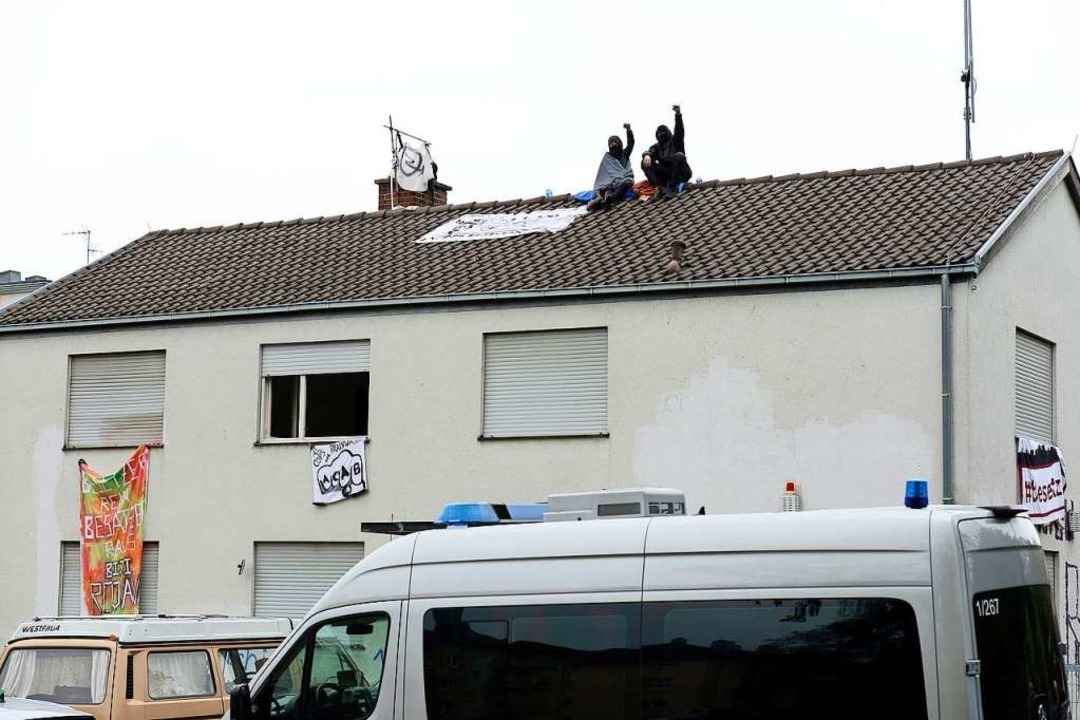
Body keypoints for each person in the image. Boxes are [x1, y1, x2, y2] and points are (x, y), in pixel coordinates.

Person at [642, 105, 692, 199]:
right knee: (645, 163)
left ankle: (672, 187)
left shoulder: (675, 141)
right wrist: (647, 155)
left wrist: (678, 115)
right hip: (666, 174)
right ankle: (660, 187)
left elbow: (679, 130)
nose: (661, 134)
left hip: (681, 171)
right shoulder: (657, 147)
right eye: (659, 133)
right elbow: (650, 151)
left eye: (663, 132)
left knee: (679, 156)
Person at [588, 123, 635, 211]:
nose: (613, 144)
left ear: (619, 143)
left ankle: (611, 199)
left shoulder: (625, 154)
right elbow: (603, 175)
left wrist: (628, 130)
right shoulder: (607, 158)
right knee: (605, 190)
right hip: (611, 184)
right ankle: (601, 201)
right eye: (611, 143)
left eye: (615, 142)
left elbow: (631, 143)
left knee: (627, 182)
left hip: (624, 181)